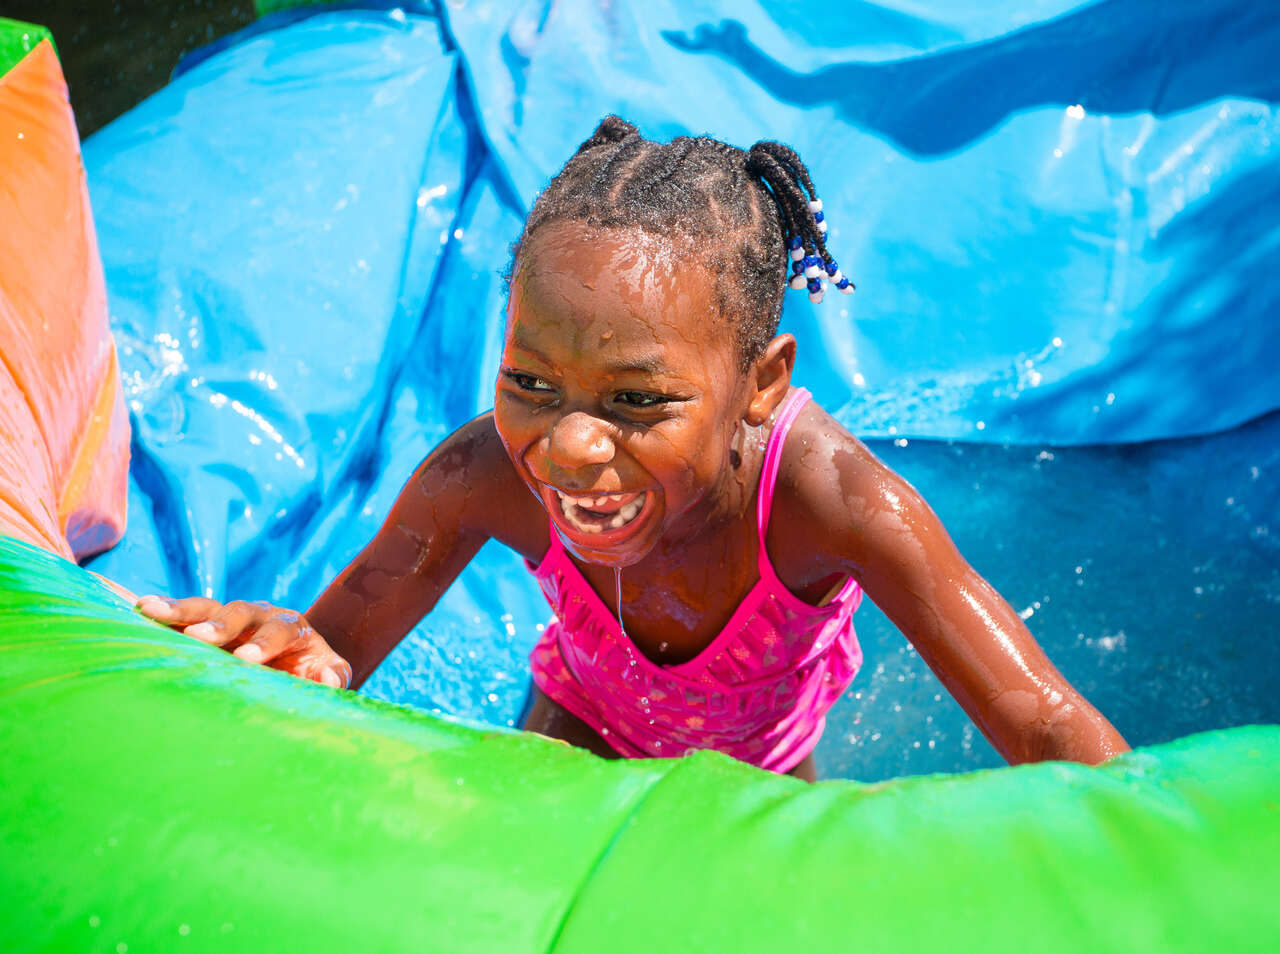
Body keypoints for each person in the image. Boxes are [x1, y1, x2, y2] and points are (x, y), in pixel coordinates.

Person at [136, 116, 1129, 781]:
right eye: (530, 382)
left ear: (762, 381)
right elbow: (340, 639)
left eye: (636, 400)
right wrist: (287, 649)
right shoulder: (481, 477)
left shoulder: (835, 507)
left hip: (763, 770)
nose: (567, 446)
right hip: (576, 724)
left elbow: (1043, 728)